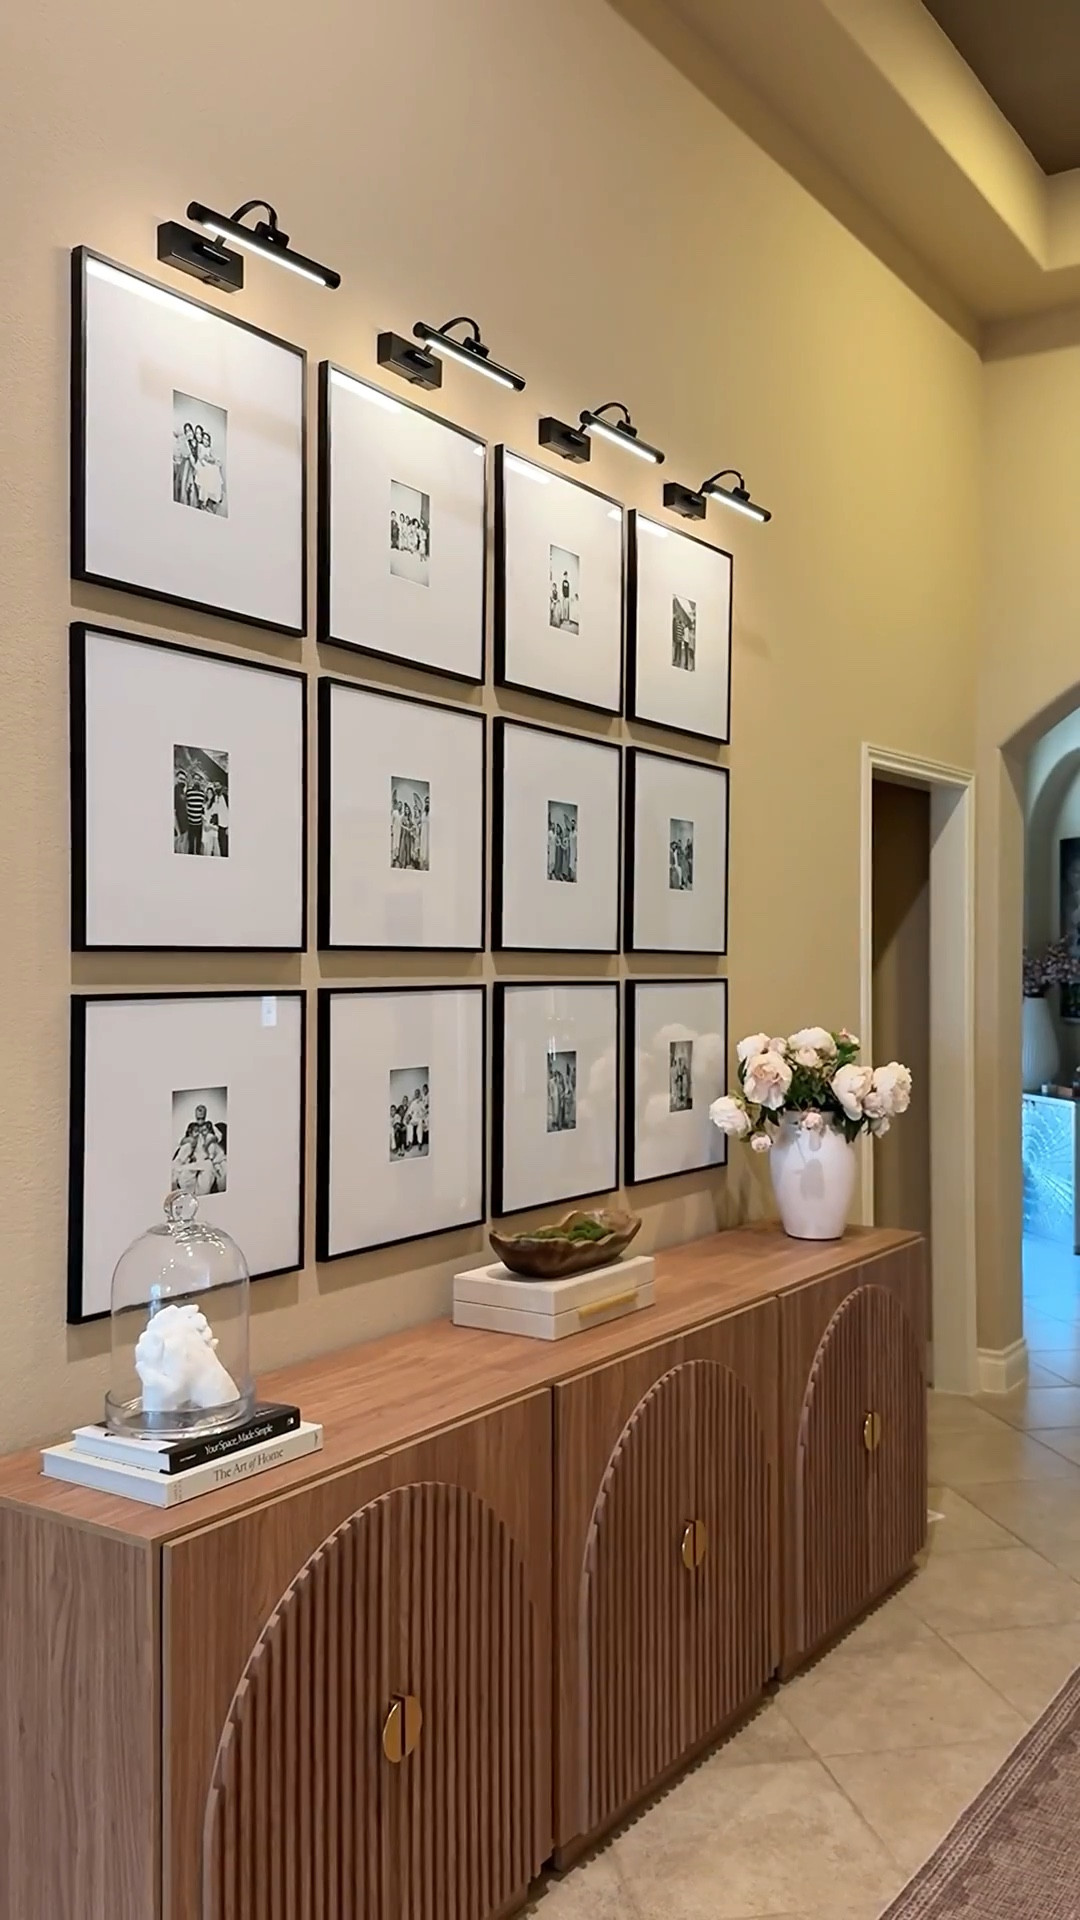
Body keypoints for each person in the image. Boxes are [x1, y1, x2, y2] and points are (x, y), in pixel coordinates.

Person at [182, 770, 209, 854]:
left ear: (200, 781)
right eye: (195, 779)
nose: (196, 780)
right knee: (190, 845)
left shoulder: (202, 793)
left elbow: (204, 806)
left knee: (198, 846)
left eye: (198, 779)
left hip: (199, 824)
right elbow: (185, 804)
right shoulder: (188, 792)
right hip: (190, 824)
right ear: (193, 780)